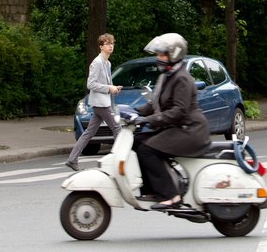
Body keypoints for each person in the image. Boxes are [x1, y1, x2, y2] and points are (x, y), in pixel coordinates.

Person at [131, 33, 211, 210]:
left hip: (190, 130)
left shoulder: (181, 78)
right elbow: (155, 102)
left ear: (174, 55)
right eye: (158, 54)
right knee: (137, 141)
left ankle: (171, 195)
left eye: (162, 54)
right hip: (180, 127)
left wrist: (149, 119)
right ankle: (151, 189)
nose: (158, 58)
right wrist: (132, 112)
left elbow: (178, 111)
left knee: (147, 150)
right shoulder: (167, 75)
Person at [65, 34, 123, 171]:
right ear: (101, 46)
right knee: (117, 129)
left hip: (103, 102)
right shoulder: (96, 63)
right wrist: (109, 88)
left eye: (112, 43)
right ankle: (119, 160)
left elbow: (106, 83)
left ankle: (72, 159)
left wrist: (114, 88)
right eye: (107, 43)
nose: (110, 46)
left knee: (89, 133)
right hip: (100, 104)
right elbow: (90, 84)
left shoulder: (107, 63)